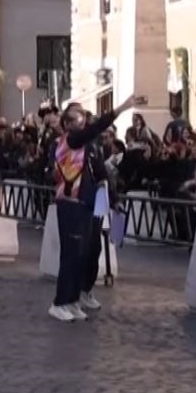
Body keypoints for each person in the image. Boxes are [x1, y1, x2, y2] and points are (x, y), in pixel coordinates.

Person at [50, 95, 142, 322]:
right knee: (71, 255)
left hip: (86, 203)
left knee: (83, 254)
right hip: (70, 202)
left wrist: (111, 200)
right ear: (67, 124)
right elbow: (96, 127)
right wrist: (122, 107)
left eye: (83, 118)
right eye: (77, 119)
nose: (83, 122)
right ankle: (59, 302)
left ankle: (73, 300)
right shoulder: (71, 140)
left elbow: (101, 173)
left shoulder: (87, 146)